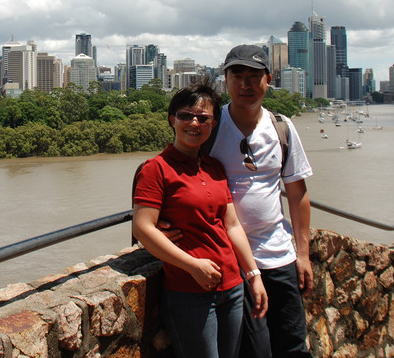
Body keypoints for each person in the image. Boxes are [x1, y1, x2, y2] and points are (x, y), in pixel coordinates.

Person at [133, 78, 268, 358]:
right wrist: (193, 265)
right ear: (173, 120)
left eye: (203, 118)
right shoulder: (156, 169)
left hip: (232, 286)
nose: (194, 123)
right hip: (188, 290)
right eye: (186, 116)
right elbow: (143, 228)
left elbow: (231, 225)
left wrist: (253, 275)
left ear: (213, 124)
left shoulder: (215, 167)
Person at [208, 44, 314, 358]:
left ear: (268, 80)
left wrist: (303, 254)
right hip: (230, 259)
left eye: (254, 76)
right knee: (253, 350)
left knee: (293, 344)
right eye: (237, 75)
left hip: (279, 255)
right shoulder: (210, 128)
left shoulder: (281, 127)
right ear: (224, 81)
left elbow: (297, 193)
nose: (245, 84)